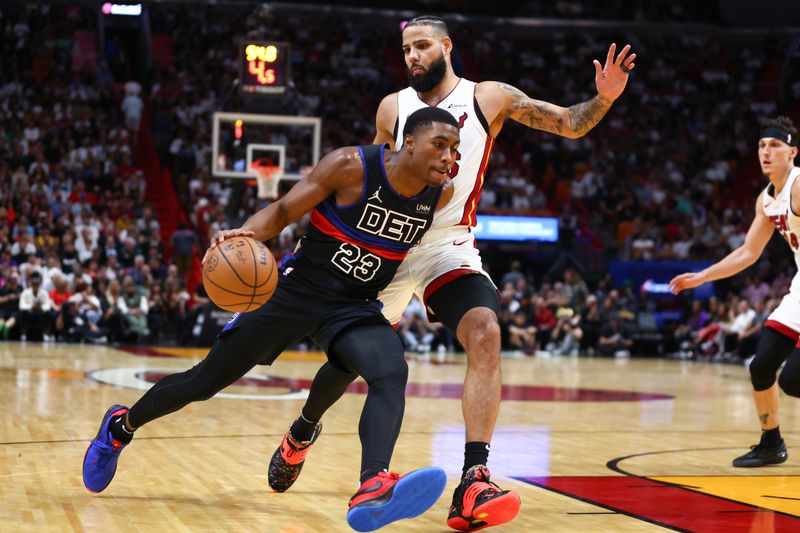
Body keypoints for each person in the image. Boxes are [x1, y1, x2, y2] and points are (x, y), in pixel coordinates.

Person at [272, 16, 636, 531]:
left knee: (486, 331)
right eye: (405, 49)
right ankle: (304, 430)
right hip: (391, 243)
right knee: (351, 361)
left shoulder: (489, 97)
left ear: (446, 45)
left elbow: (569, 123)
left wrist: (605, 99)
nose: (412, 56)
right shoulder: (393, 107)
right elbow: (368, 174)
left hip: (449, 246)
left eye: (421, 45)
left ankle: (474, 478)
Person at [82, 108, 459, 532]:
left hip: (354, 305)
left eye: (454, 149)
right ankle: (121, 426)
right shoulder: (351, 166)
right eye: (439, 145)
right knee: (203, 382)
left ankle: (372, 483)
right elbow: (281, 211)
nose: (448, 157)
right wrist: (244, 234)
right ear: (408, 141)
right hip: (294, 293)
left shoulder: (439, 195)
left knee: (390, 370)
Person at [670, 116, 799, 468]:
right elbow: (748, 252)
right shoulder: (768, 199)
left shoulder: (799, 186)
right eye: (761, 146)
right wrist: (703, 276)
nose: (766, 152)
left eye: (775, 145)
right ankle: (771, 443)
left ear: (793, 153)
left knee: (793, 380)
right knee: (761, 367)